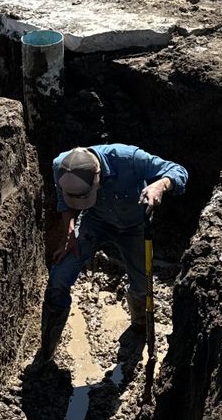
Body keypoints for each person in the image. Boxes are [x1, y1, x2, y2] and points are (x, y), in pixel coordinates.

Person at [34, 144, 188, 366]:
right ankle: (47, 349)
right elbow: (63, 201)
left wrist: (160, 185)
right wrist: (68, 233)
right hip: (94, 222)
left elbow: (178, 171)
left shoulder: (129, 159)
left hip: (135, 227)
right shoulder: (62, 166)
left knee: (142, 286)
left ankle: (139, 326)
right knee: (59, 278)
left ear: (98, 176)